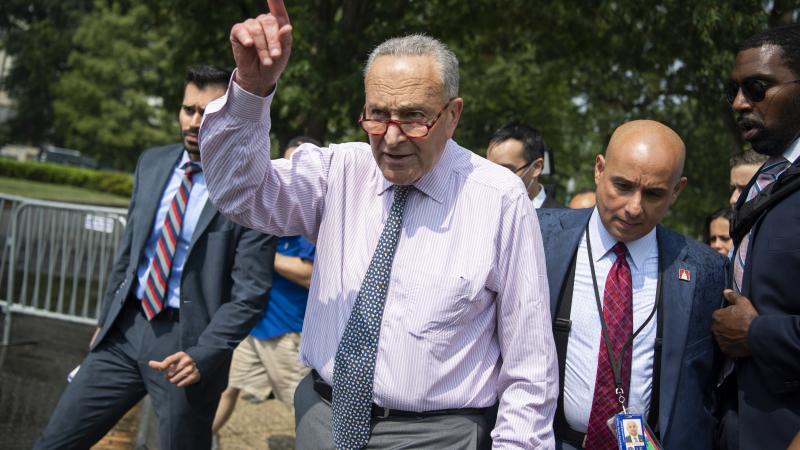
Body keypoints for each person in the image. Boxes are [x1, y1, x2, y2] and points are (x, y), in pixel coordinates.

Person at [198, 2, 558, 448]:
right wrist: (252, 90)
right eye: (377, 115)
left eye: (412, 117)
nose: (390, 136)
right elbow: (240, 194)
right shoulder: (339, 171)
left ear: (452, 115)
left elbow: (530, 364)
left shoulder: (499, 200)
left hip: (437, 435)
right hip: (322, 419)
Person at [34, 65, 276, 450]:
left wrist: (204, 354)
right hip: (125, 330)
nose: (195, 122)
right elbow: (130, 250)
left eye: (207, 113)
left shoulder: (252, 185)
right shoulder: (153, 162)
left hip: (189, 345)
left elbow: (251, 294)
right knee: (56, 441)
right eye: (188, 110)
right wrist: (106, 319)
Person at [538, 120, 727, 450]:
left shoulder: (705, 270)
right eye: (622, 186)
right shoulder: (540, 237)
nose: (634, 208)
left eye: (654, 193)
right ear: (599, 170)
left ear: (677, 190)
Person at [713, 24, 800, 450]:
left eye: (757, 87)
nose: (739, 103)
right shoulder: (765, 179)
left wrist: (757, 333)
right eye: (734, 89)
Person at [212, 136, 318, 440]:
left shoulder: (310, 220)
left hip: (287, 334)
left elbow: (308, 274)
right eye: (287, 162)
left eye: (303, 165)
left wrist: (260, 253)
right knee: (225, 389)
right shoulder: (269, 210)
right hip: (252, 327)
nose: (293, 171)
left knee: (305, 413)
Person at [487, 122, 562, 208]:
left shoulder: (565, 220)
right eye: (489, 169)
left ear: (536, 167)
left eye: (505, 170)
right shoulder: (481, 211)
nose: (494, 178)